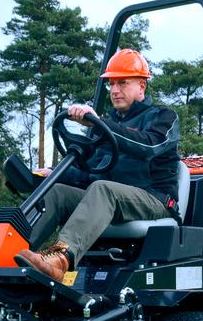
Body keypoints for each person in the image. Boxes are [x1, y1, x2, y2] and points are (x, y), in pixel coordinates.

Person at [15, 48, 180, 279]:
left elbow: (149, 146)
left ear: (142, 86)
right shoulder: (105, 125)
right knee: (58, 192)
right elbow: (88, 173)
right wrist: (54, 174)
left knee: (102, 189)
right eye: (110, 84)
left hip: (154, 198)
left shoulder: (163, 117)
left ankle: (61, 259)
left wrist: (101, 124)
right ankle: (9, 248)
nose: (114, 90)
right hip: (108, 199)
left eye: (122, 83)